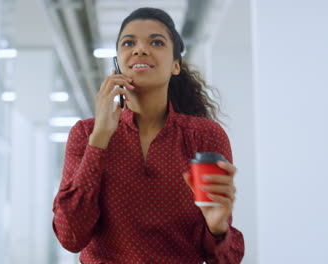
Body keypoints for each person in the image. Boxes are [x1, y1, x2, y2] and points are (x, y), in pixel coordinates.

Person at [52, 7, 245, 264]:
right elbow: (71, 236)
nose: (139, 49)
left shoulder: (204, 136)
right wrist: (99, 140)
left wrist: (217, 227)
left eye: (156, 42)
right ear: (117, 62)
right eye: (128, 43)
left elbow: (225, 260)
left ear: (176, 65)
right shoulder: (85, 133)